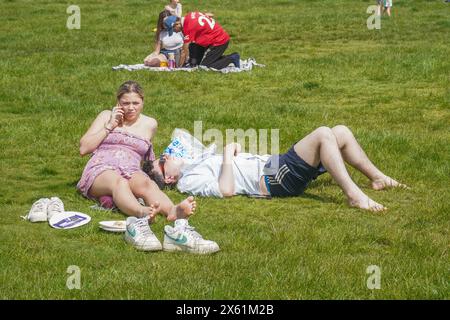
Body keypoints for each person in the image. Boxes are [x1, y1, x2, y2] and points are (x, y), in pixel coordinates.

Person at [77, 80, 219, 254]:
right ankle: (142, 212)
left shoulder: (150, 124)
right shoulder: (106, 116)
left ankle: (173, 211)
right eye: (125, 103)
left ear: (143, 102)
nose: (131, 108)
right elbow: (84, 148)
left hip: (131, 169)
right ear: (117, 103)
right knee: (119, 183)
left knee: (145, 184)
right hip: (101, 167)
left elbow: (147, 159)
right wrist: (110, 126)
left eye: (135, 103)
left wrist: (163, 171)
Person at [146, 126, 407, 212]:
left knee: (339, 131)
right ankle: (353, 195)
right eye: (162, 159)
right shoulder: (188, 182)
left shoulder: (191, 164)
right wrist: (226, 154)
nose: (166, 155)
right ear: (168, 177)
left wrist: (232, 151)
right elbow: (226, 190)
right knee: (323, 135)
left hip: (273, 166)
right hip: (271, 179)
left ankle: (378, 178)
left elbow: (181, 135)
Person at [174, 12, 240, 69]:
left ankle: (232, 57)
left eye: (173, 29)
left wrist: (179, 67)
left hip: (220, 42)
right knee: (193, 48)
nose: (175, 32)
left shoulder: (188, 27)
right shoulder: (189, 15)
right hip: (213, 37)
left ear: (177, 24)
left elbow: (184, 51)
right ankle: (196, 62)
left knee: (205, 67)